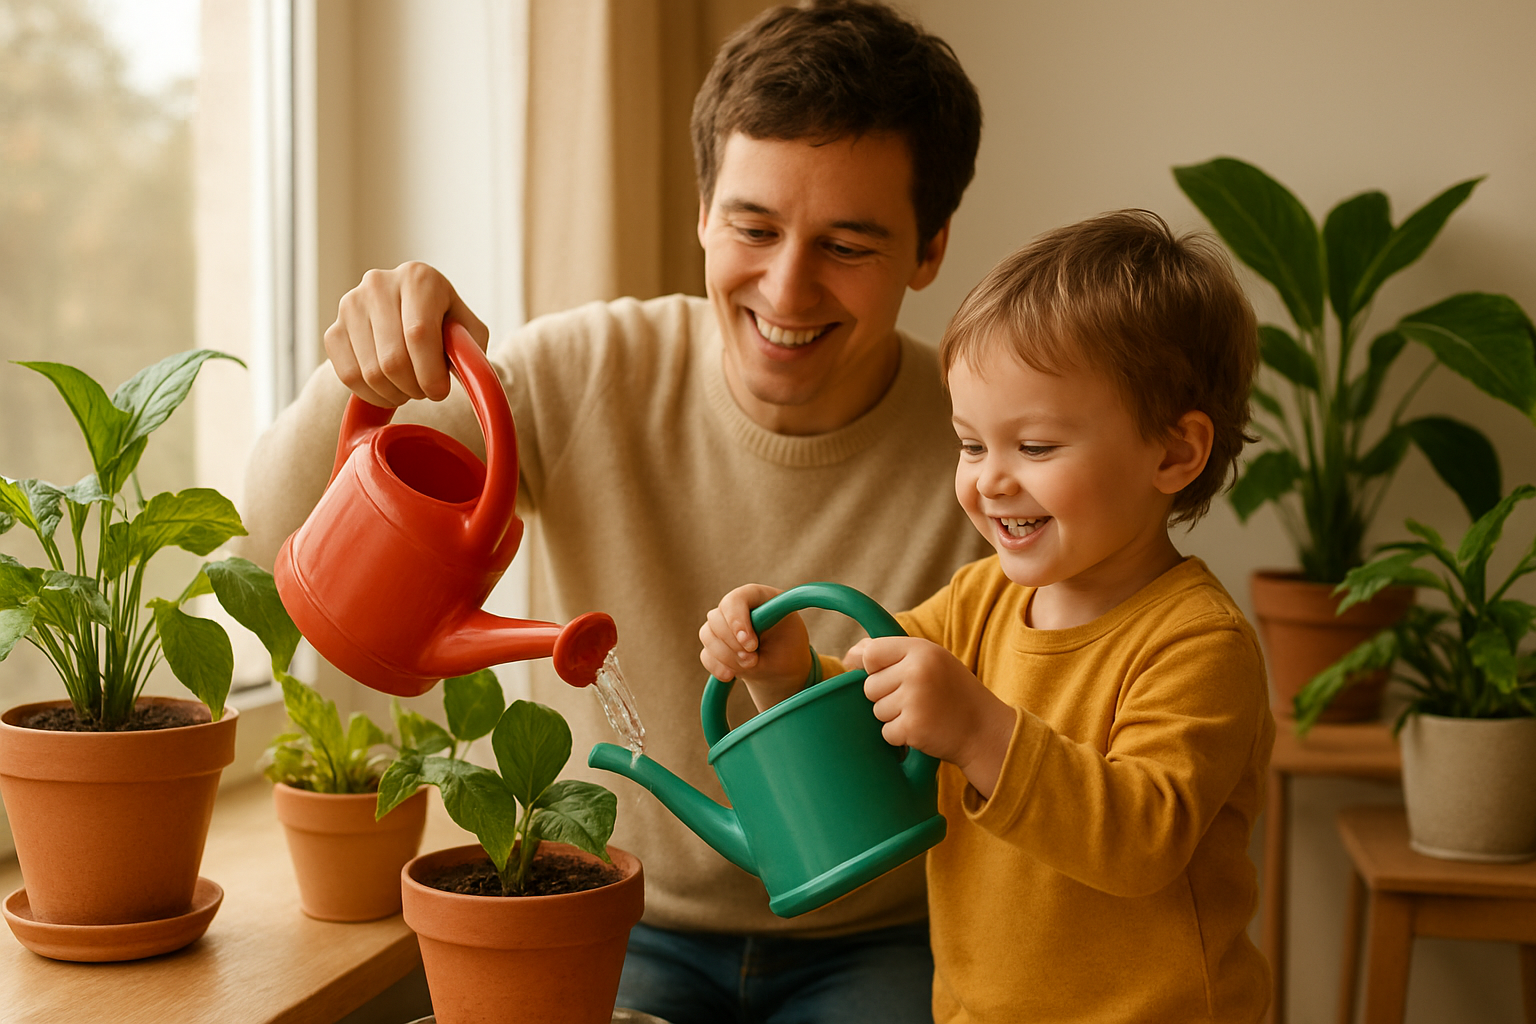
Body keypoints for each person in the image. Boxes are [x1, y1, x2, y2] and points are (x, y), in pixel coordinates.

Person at [238, 3, 988, 1021]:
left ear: (931, 245)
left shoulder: (984, 449)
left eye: (847, 244)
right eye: (753, 227)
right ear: (701, 210)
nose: (787, 287)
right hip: (615, 915)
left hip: (878, 939)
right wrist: (363, 377)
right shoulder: (588, 370)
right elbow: (278, 529)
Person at [700, 210, 1275, 1023]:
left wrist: (977, 732)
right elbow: (871, 727)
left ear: (1174, 454)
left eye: (1034, 448)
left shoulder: (1197, 643)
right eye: (972, 445)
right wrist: (789, 671)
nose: (990, 482)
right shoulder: (978, 602)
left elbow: (1144, 838)